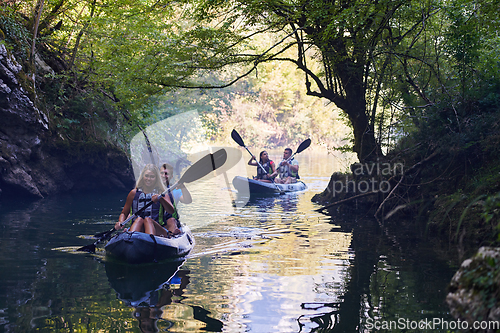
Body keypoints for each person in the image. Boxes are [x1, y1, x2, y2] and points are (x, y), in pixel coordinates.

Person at [114, 164, 175, 237]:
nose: (148, 179)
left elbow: (171, 211)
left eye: (152, 177)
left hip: (158, 231)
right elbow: (124, 213)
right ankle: (131, 238)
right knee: (139, 219)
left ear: (156, 178)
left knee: (147, 220)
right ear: (142, 176)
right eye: (146, 176)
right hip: (139, 228)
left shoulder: (161, 193)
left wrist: (161, 199)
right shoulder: (133, 193)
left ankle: (151, 241)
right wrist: (120, 222)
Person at [159, 163, 192, 235]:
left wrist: (183, 187)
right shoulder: (151, 188)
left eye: (166, 174)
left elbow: (187, 201)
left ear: (171, 176)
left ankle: (172, 233)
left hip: (169, 221)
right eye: (162, 173)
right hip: (155, 220)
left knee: (172, 220)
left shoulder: (175, 190)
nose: (164, 176)